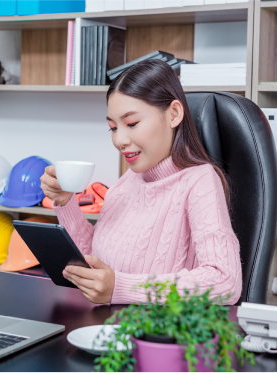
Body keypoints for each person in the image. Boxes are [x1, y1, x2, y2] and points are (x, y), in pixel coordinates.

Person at [40, 59, 242, 305]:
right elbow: (95, 264)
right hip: (111, 327)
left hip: (158, 335)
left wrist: (121, 287)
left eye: (132, 124)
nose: (119, 140)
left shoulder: (200, 181)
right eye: (113, 128)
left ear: (174, 114)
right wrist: (66, 202)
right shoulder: (126, 182)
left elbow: (225, 281)